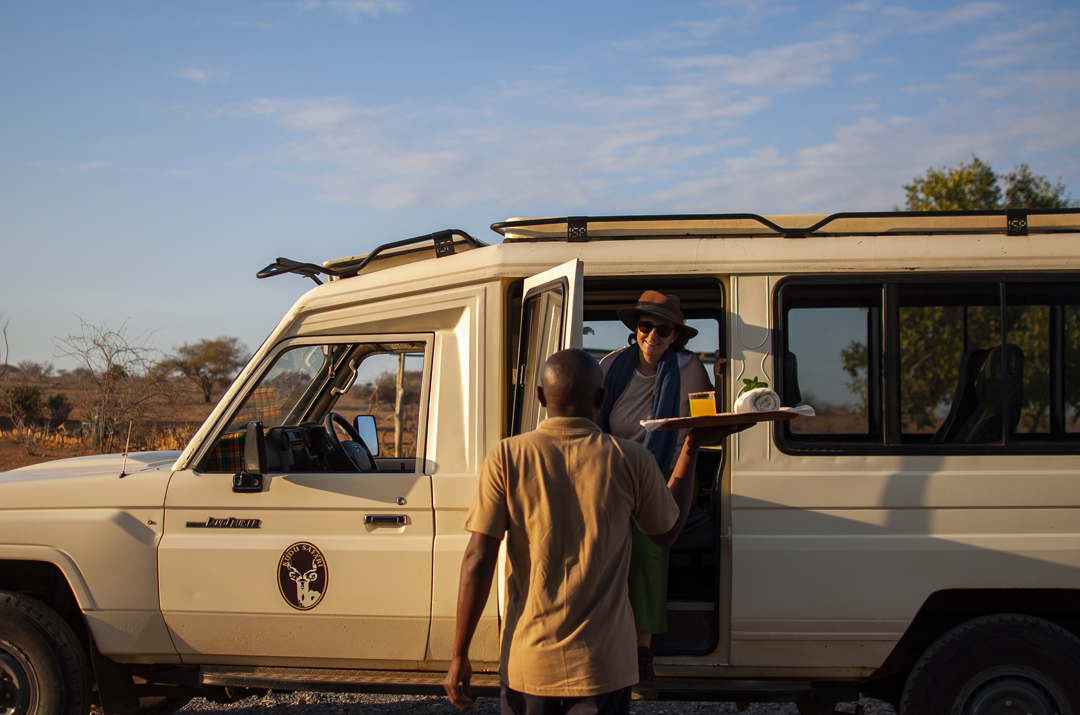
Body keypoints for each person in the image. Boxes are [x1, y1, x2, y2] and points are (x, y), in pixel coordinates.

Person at [443, 349, 742, 715]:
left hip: (529, 665)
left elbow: (477, 558)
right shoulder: (632, 459)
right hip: (605, 668)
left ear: (540, 397)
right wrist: (692, 446)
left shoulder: (507, 457)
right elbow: (667, 533)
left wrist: (460, 654)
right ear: (601, 399)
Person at [597, 290, 713, 700]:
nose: (652, 335)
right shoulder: (610, 365)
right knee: (596, 543)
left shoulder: (690, 367)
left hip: (668, 472)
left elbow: (704, 425)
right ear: (635, 328)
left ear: (675, 335)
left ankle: (642, 653)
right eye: (645, 326)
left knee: (647, 547)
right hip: (613, 470)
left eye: (663, 329)